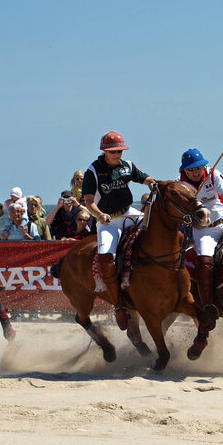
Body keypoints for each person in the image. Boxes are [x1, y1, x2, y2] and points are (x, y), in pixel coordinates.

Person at [81, 130, 156, 331]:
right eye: (113, 151)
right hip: (108, 221)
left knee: (154, 234)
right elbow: (88, 201)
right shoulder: (93, 171)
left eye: (120, 151)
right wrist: (99, 215)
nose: (117, 155)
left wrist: (154, 184)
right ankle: (118, 306)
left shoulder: (127, 166)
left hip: (128, 213)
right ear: (105, 151)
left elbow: (146, 178)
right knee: (105, 258)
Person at [177, 148, 223, 324]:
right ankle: (207, 303)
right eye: (191, 169)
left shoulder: (214, 173)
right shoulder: (180, 185)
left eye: (198, 168)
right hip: (203, 230)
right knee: (205, 262)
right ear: (184, 170)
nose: (196, 172)